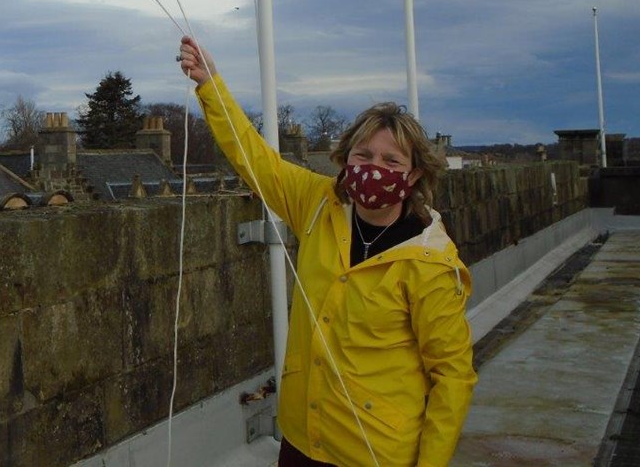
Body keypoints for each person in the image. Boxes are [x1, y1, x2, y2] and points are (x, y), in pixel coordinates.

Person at [177, 35, 476, 467]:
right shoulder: (319, 204)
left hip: (374, 453)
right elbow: (255, 159)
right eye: (364, 154)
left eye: (392, 162)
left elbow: (452, 376)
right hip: (301, 439)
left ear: (412, 177)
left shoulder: (429, 263)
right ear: (346, 159)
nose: (375, 168)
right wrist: (211, 85)